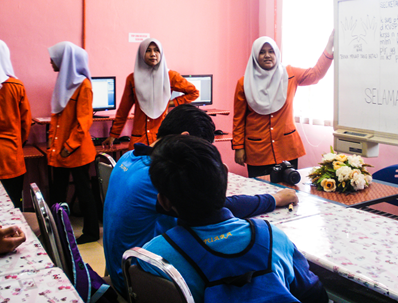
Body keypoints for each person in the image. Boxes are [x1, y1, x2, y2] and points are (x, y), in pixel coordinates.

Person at [103, 104, 298, 296]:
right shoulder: (152, 175)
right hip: (142, 281)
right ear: (185, 139)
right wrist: (275, 198)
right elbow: (215, 207)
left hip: (124, 267)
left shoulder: (129, 157)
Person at [141, 135, 327, 303]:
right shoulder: (273, 238)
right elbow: (315, 295)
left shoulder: (153, 258)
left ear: (163, 202)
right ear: (225, 178)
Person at [233, 31, 335, 177]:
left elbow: (315, 75)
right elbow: (239, 119)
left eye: (271, 51)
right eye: (262, 52)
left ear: (277, 54)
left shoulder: (290, 75)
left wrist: (329, 46)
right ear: (255, 56)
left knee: (289, 192)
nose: (267, 55)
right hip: (258, 152)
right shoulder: (244, 83)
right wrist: (238, 147)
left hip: (287, 149)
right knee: (261, 194)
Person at [102, 38, 199, 149]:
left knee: (161, 165)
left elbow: (194, 92)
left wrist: (171, 102)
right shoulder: (133, 79)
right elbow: (123, 110)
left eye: (156, 50)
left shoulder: (170, 76)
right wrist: (113, 135)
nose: (153, 54)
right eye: (148, 50)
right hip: (139, 138)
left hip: (162, 138)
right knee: (138, 165)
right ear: (142, 53)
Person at [47, 41, 99, 244]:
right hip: (60, 150)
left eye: (54, 58)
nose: (51, 62)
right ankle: (57, 230)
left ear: (66, 59)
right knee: (57, 193)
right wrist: (54, 144)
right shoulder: (62, 81)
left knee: (84, 193)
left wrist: (68, 147)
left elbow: (84, 120)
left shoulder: (83, 85)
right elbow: (57, 117)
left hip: (76, 151)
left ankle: (91, 232)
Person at [0, 39, 32, 209]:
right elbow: (26, 123)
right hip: (11, 156)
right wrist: (18, 142)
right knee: (12, 205)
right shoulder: (16, 86)